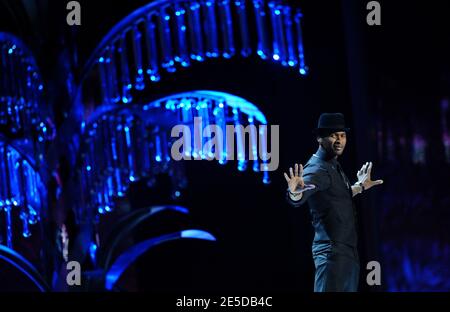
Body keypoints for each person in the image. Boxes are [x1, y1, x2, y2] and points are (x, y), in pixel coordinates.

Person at [284, 113, 383, 292]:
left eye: (342, 135)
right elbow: (299, 196)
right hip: (332, 255)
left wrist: (359, 186)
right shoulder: (316, 168)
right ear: (320, 138)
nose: (339, 140)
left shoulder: (333, 165)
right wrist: (294, 193)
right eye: (333, 135)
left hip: (346, 254)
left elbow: (336, 197)